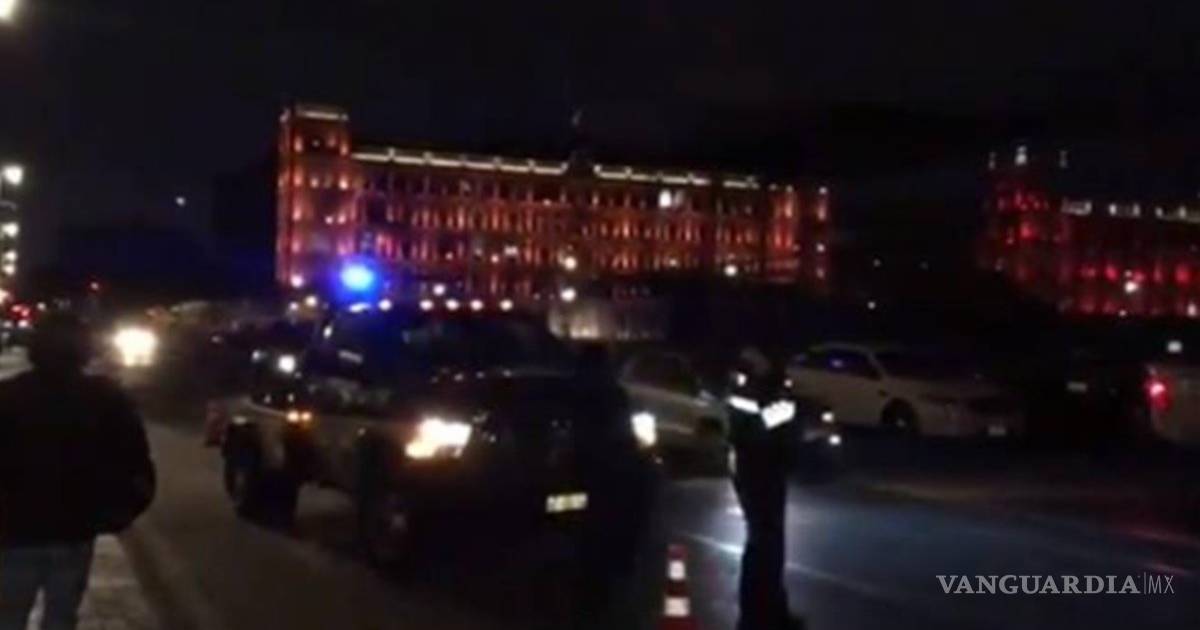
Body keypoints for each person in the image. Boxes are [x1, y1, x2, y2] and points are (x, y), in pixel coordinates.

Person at [0, 313, 155, 630]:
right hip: (75, 528)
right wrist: (117, 514)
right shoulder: (106, 398)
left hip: (15, 530)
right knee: (61, 617)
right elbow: (134, 461)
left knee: (9, 615)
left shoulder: (8, 396)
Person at [726, 345, 804, 630]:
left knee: (768, 543)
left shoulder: (762, 388)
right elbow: (754, 430)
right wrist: (784, 411)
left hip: (764, 470)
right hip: (758, 472)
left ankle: (769, 610)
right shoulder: (750, 392)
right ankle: (759, 613)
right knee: (764, 543)